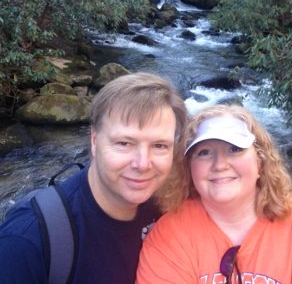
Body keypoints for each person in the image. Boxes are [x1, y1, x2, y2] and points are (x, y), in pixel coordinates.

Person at [0, 72, 187, 284]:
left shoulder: (170, 206)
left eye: (159, 146)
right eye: (124, 143)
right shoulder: (28, 241)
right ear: (94, 142)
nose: (143, 164)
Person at [136, 104, 292, 284]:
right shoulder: (170, 234)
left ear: (260, 160)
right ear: (188, 168)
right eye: (204, 152)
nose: (220, 164)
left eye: (235, 149)